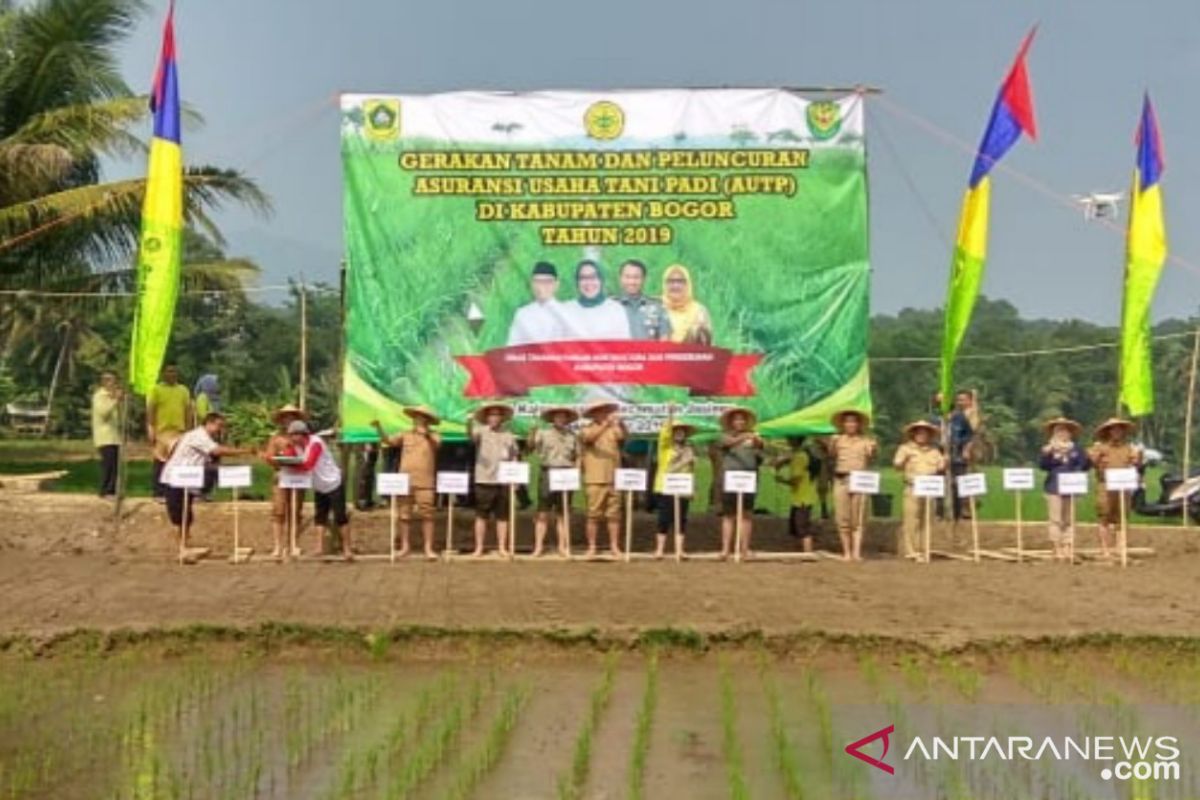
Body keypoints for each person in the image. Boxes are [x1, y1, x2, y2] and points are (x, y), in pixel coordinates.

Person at [162, 413, 252, 544]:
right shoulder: (198, 436)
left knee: (186, 511)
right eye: (219, 426)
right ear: (209, 423)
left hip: (189, 478)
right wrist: (245, 451)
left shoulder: (206, 437)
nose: (220, 429)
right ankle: (181, 542)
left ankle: (184, 541)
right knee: (178, 511)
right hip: (176, 477)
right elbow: (216, 451)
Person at [372, 406, 442, 560]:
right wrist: (378, 428)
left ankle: (428, 548)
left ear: (428, 421)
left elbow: (438, 445)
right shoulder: (405, 434)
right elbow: (388, 441)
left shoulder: (434, 435)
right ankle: (405, 547)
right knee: (404, 515)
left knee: (428, 515)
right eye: (416, 417)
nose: (418, 420)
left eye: (422, 417)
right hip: (404, 481)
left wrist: (427, 435)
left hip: (426, 482)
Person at [282, 420, 354, 560]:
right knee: (320, 517)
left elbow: (308, 464)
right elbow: (288, 457)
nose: (291, 439)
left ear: (301, 435)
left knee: (340, 516)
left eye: (293, 435)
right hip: (318, 485)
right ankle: (318, 548)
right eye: (290, 435)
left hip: (333, 482)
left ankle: (347, 549)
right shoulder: (296, 446)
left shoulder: (315, 443)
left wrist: (290, 465)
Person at [1088, 418, 1142, 561]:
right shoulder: (1099, 448)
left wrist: (1138, 459)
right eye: (1113, 429)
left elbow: (1137, 465)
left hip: (1123, 487)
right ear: (1108, 432)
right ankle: (1105, 550)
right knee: (1104, 516)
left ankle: (1120, 548)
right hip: (1105, 486)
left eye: (1119, 429)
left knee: (1122, 518)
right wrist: (1095, 456)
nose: (1117, 432)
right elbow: (1090, 462)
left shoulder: (1130, 448)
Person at [529, 405, 580, 558]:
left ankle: (562, 547)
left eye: (564, 417)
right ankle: (538, 547)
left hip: (566, 473)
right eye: (558, 416)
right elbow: (531, 447)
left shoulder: (573, 436)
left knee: (563, 513)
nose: (561, 419)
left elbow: (578, 455)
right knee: (542, 512)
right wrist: (532, 432)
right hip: (548, 472)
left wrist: (576, 470)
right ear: (552, 419)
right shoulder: (543, 433)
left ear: (567, 419)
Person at [827, 409, 878, 562]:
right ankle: (846, 552)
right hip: (841, 479)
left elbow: (872, 457)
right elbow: (831, 455)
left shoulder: (866, 441)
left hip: (859, 480)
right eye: (847, 421)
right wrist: (831, 443)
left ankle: (857, 552)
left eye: (853, 421)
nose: (851, 424)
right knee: (843, 518)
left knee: (859, 518)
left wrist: (873, 448)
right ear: (843, 424)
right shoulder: (838, 440)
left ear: (859, 424)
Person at [469, 403, 519, 557]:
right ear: (486, 417)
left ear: (502, 418)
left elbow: (514, 456)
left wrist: (515, 479)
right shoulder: (480, 432)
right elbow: (470, 435)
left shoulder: (509, 435)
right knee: (481, 515)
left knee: (503, 516)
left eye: (497, 415)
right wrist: (468, 422)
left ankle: (502, 547)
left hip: (504, 481)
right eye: (491, 415)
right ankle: (478, 548)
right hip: (484, 480)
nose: (494, 418)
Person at [1038, 416, 1091, 563]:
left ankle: (1068, 546)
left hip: (1072, 487)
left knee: (1070, 519)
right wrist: (1047, 453)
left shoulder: (1077, 449)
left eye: (1065, 431)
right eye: (1059, 430)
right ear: (1054, 433)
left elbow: (1085, 466)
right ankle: (1057, 547)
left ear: (1070, 433)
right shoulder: (1048, 449)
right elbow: (1042, 466)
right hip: (1054, 487)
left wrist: (1086, 460)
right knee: (1055, 520)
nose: (1063, 433)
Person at [892, 421, 947, 561]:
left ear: (929, 435)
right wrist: (902, 461)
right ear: (913, 434)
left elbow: (941, 467)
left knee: (927, 520)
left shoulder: (934, 451)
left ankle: (924, 549)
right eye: (919, 432)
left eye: (925, 433)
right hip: (912, 487)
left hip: (929, 489)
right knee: (911, 520)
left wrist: (944, 462)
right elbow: (897, 465)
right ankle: (912, 551)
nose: (922, 435)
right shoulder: (905, 449)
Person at [579, 399, 627, 558]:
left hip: (614, 476)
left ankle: (614, 546)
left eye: (606, 410)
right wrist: (605, 425)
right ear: (593, 414)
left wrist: (622, 423)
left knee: (614, 514)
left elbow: (623, 437)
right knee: (593, 514)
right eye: (600, 411)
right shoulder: (586, 429)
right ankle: (592, 547)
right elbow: (589, 439)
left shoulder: (614, 429)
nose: (604, 413)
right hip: (595, 477)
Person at [718, 407, 764, 560]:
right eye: (737, 419)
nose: (740, 422)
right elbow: (727, 443)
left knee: (747, 515)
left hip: (748, 479)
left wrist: (758, 442)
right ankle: (725, 550)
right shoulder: (725, 435)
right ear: (731, 422)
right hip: (731, 478)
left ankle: (744, 549)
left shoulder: (754, 438)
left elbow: (761, 454)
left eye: (742, 419)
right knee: (728, 515)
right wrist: (744, 437)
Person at [262, 404, 307, 559]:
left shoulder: (304, 438)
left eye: (292, 417)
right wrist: (276, 460)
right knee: (278, 511)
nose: (288, 420)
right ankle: (278, 546)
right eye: (286, 417)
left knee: (296, 511)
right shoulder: (276, 438)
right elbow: (269, 456)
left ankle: (294, 544)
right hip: (281, 476)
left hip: (298, 477)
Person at [653, 406, 696, 560]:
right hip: (666, 487)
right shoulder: (665, 448)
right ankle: (659, 550)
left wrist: (692, 489)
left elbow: (691, 469)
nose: (679, 433)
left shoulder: (689, 449)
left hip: (683, 487)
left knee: (682, 519)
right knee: (664, 518)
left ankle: (680, 550)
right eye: (676, 430)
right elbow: (664, 434)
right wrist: (670, 415)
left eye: (682, 430)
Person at [146, 365, 192, 500]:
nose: (172, 374)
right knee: (160, 462)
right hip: (162, 431)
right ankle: (158, 493)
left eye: (174, 371)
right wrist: (150, 429)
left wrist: (189, 431)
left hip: (179, 431)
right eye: (169, 371)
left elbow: (187, 411)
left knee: (177, 463)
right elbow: (151, 411)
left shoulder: (183, 390)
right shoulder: (156, 390)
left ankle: (174, 492)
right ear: (163, 374)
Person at [772, 436, 820, 553]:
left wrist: (781, 480)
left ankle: (807, 552)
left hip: (802, 498)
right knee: (796, 526)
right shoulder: (802, 455)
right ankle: (799, 551)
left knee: (802, 527)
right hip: (802, 496)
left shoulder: (799, 457)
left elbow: (796, 479)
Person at [563, 260, 632, 340]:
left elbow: (623, 347)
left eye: (593, 277)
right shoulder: (566, 310)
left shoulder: (616, 310)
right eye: (583, 278)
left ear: (601, 280)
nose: (588, 282)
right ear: (577, 282)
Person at [507, 261, 571, 346]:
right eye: (537, 282)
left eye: (547, 282)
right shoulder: (522, 314)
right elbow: (512, 347)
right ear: (532, 284)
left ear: (556, 284)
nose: (541, 287)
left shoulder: (567, 313)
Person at [615, 259, 671, 340]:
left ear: (644, 279)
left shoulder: (658, 307)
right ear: (620, 278)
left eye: (636, 277)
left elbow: (664, 339)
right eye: (627, 277)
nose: (632, 282)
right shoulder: (611, 307)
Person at [661, 264, 713, 345]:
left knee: (697, 329)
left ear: (687, 284)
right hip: (658, 355)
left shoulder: (699, 310)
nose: (675, 286)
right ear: (665, 284)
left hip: (689, 355)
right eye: (671, 281)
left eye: (680, 281)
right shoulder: (654, 305)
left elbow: (707, 343)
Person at [91, 372, 123, 498]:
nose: (114, 384)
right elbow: (103, 413)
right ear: (104, 382)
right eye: (111, 381)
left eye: (115, 381)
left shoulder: (110, 397)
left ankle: (113, 490)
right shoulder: (99, 396)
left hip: (114, 437)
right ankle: (105, 490)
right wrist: (115, 400)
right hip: (104, 437)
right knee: (108, 465)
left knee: (115, 465)